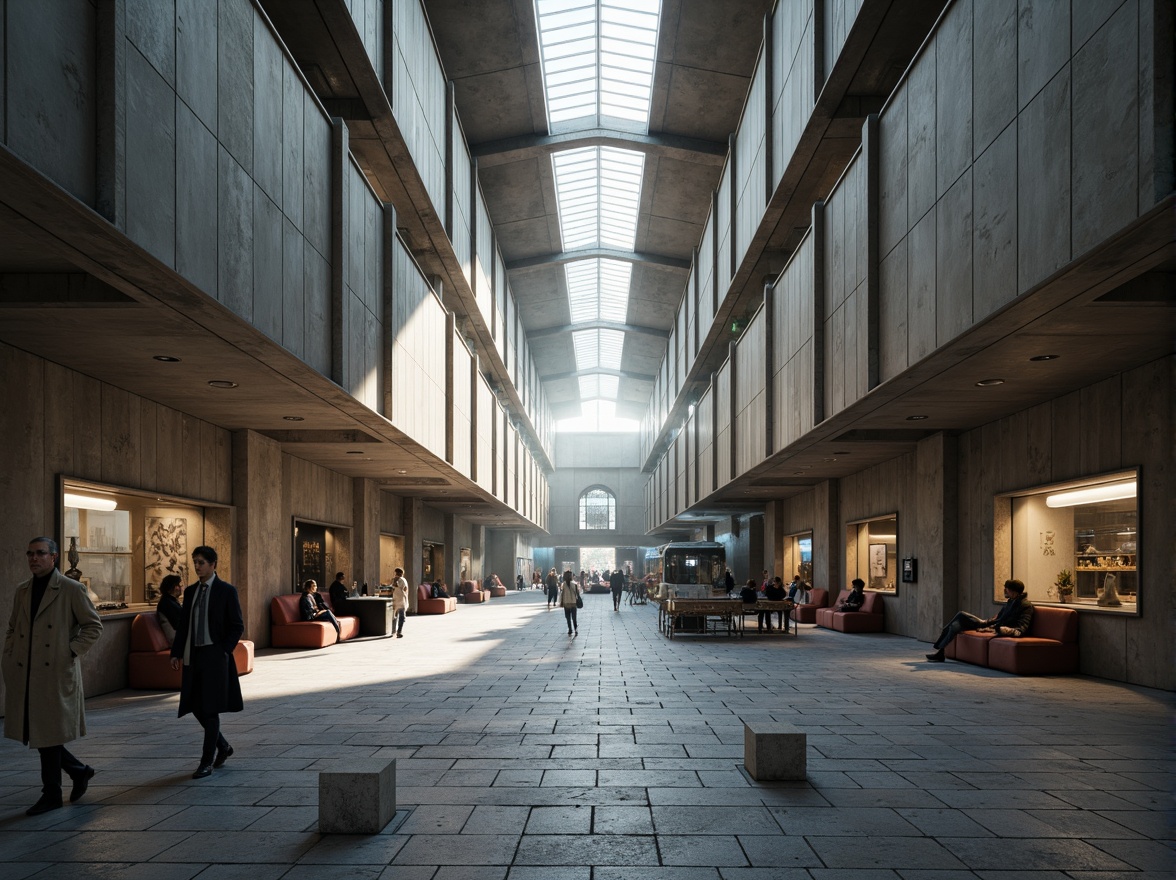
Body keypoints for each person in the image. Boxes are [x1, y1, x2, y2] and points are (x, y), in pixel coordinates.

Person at [3, 537, 103, 815]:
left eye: (40, 553)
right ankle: (78, 772)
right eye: (30, 553)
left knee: (45, 734)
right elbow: (12, 627)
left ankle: (52, 793)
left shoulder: (71, 588)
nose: (34, 558)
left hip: (53, 673)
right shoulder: (23, 590)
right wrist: (9, 655)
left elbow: (93, 627)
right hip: (25, 673)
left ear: (55, 557)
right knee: (40, 733)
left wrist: (68, 652)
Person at [169, 546, 244, 779]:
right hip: (194, 655)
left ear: (213, 564)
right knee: (195, 705)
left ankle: (206, 762)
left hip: (215, 655)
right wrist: (176, 652)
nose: (197, 566)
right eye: (195, 562)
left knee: (210, 708)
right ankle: (223, 746)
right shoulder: (191, 592)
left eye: (201, 562)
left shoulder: (226, 591)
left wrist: (224, 650)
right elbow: (183, 626)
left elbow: (237, 625)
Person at [926, 579, 1034, 662]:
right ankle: (940, 653)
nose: (1004, 590)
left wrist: (997, 629)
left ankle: (939, 646)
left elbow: (1022, 627)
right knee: (955, 626)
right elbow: (997, 618)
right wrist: (988, 624)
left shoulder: (1025, 605)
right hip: (990, 625)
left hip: (998, 628)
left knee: (961, 614)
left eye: (1007, 588)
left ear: (1014, 591)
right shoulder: (1010, 601)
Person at [156, 574, 185, 645]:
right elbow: (178, 624)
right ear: (175, 587)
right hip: (176, 639)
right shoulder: (166, 603)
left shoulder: (171, 601)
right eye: (180, 585)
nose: (181, 588)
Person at [560, 570, 582, 636]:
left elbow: (562, 594)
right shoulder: (574, 584)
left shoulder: (563, 584)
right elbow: (578, 594)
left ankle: (570, 629)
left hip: (566, 603)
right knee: (574, 617)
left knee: (568, 617)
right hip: (573, 603)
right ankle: (576, 629)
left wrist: (561, 602)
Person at [392, 568, 409, 638]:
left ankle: (397, 631)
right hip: (399, 600)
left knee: (398, 616)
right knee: (397, 616)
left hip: (400, 600)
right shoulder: (402, 580)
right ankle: (396, 631)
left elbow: (396, 585)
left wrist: (395, 580)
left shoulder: (401, 580)